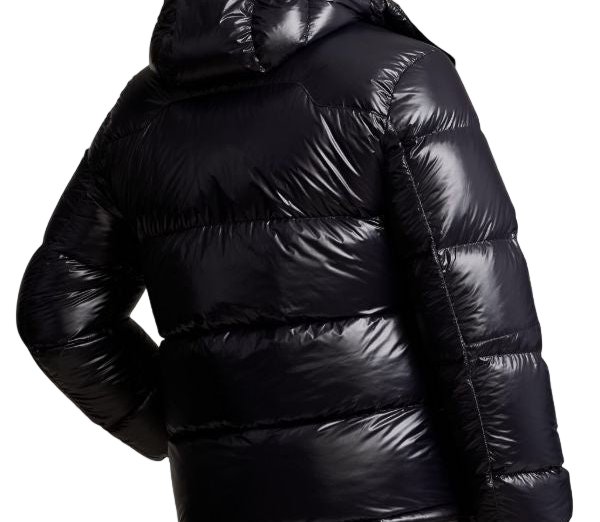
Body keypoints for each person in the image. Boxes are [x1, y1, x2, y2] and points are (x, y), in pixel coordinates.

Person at [16, 1, 572, 521]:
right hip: (400, 497)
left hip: (221, 495)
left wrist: (187, 433)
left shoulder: (139, 112)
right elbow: (484, 332)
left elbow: (56, 315)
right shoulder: (398, 76)